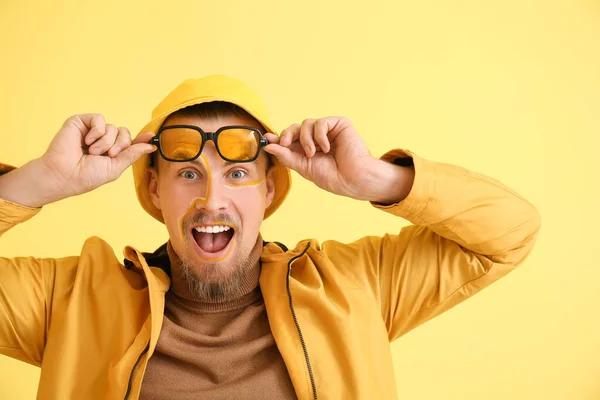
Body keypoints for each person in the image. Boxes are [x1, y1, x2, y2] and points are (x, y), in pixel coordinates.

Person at [0, 75, 541, 400]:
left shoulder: (356, 289)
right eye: (188, 173)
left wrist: (377, 179)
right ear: (155, 192)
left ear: (270, 192)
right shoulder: (66, 303)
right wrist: (37, 182)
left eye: (237, 174)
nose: (212, 199)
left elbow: (509, 231)